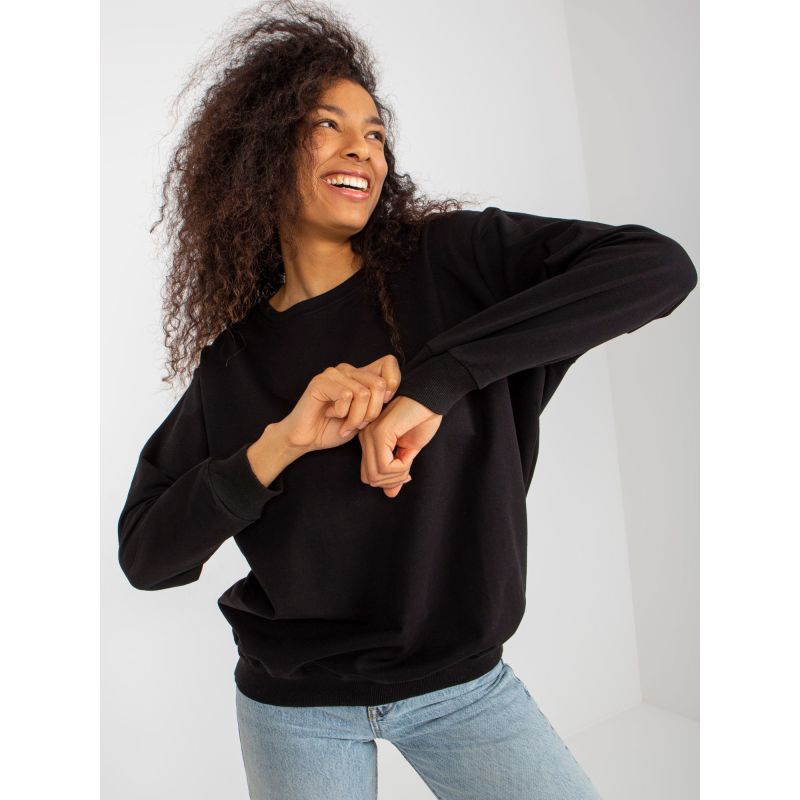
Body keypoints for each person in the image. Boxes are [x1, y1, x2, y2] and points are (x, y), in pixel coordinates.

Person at [117, 1, 697, 797]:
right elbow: (147, 556)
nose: (363, 148)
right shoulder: (233, 364)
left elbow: (657, 268)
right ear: (262, 152)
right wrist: (283, 441)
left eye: (375, 132)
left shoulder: (451, 264)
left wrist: (436, 381)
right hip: (294, 705)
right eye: (327, 126)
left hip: (461, 689)